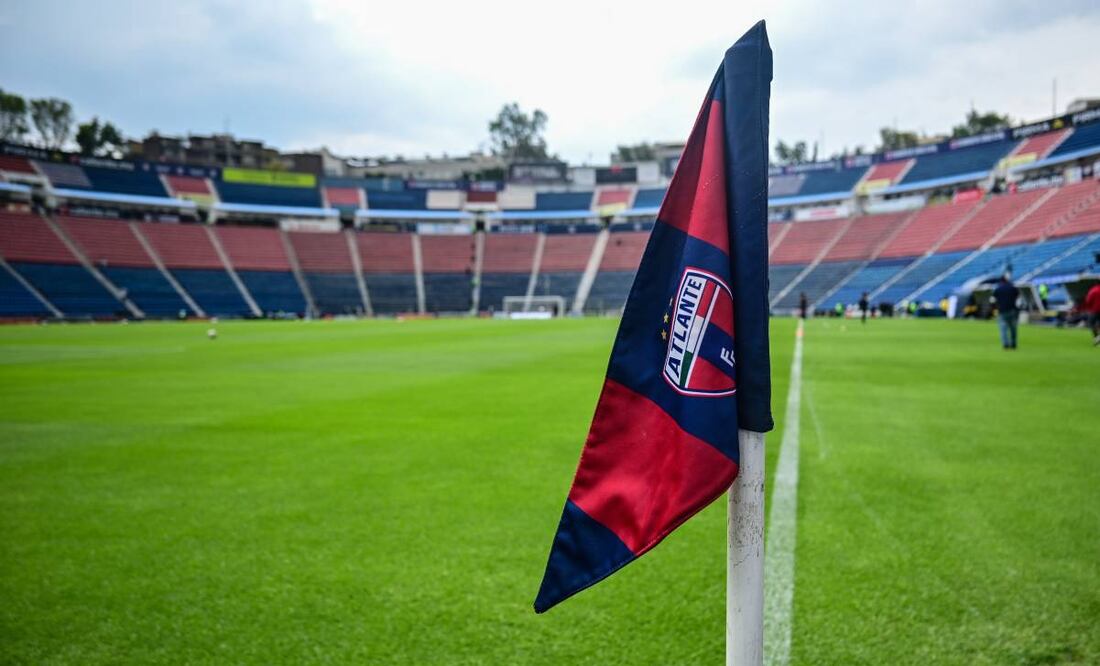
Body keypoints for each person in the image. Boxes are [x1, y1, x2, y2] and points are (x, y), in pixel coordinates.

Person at [992, 275, 1020, 350]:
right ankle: (1013, 343)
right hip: (1012, 310)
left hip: (1002, 311)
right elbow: (1018, 298)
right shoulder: (1013, 288)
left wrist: (995, 308)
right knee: (1013, 328)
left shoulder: (998, 289)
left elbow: (993, 300)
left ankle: (1005, 344)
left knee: (1003, 329)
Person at [1084, 281, 1100, 346]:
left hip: (1095, 310)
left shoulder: (1093, 290)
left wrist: (1089, 308)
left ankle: (1096, 337)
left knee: (1091, 323)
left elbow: (1088, 300)